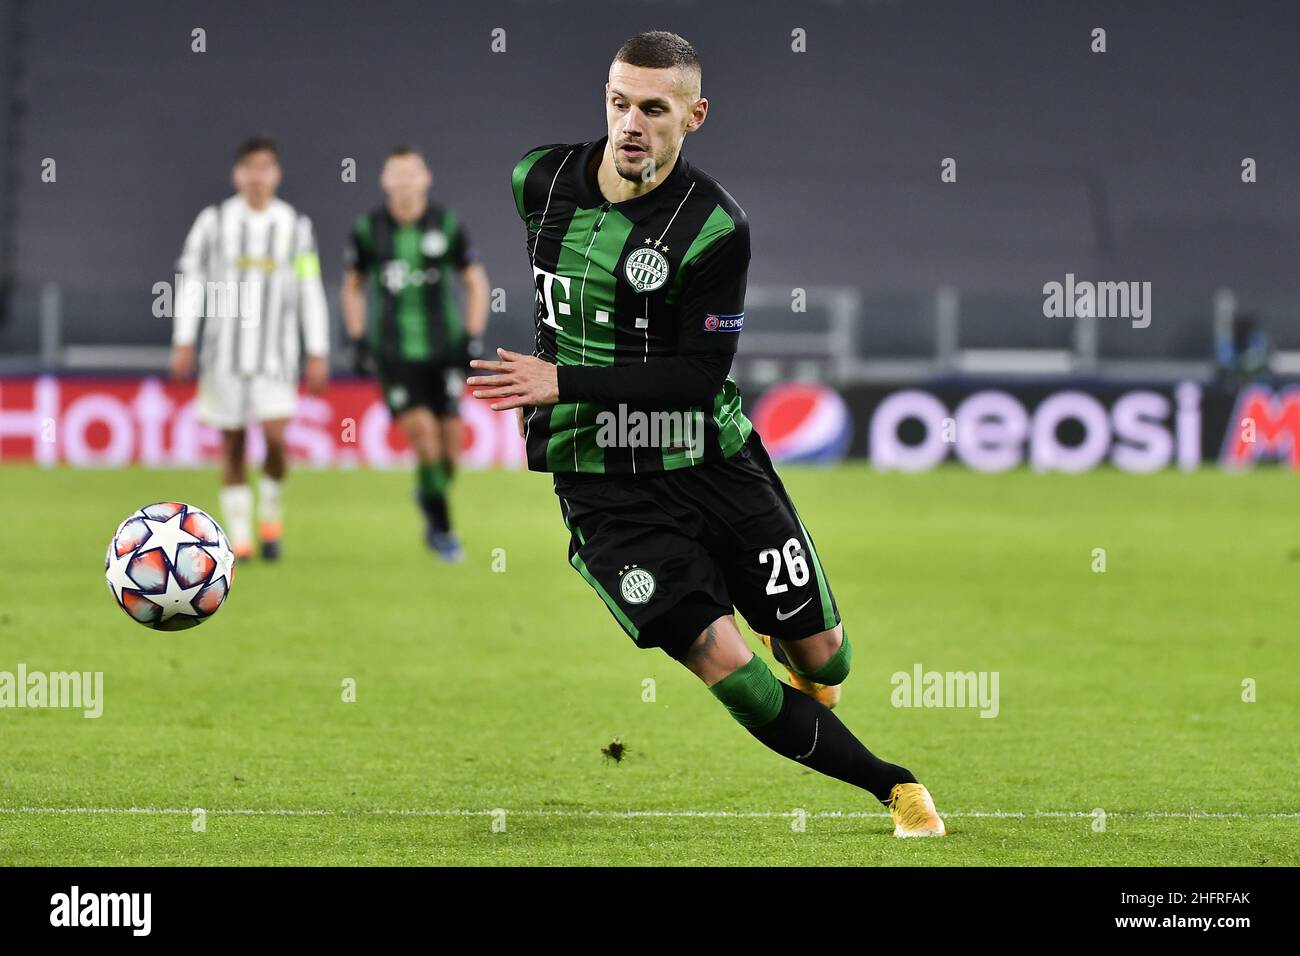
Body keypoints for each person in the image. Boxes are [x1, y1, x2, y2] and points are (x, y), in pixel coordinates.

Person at [470, 31, 945, 837]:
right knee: (721, 659)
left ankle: (789, 642)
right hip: (604, 486)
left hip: (712, 459)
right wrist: (567, 391)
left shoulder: (714, 227)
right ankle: (894, 786)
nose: (631, 124)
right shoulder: (538, 180)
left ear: (694, 115)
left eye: (654, 109)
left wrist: (562, 379)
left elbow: (695, 379)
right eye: (619, 102)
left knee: (827, 660)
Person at [170, 136, 329, 561]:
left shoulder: (295, 225)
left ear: (276, 174)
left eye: (265, 168)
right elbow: (192, 281)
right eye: (250, 168)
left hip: (275, 357)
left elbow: (308, 287)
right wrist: (183, 340)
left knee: (276, 440)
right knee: (233, 446)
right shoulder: (213, 222)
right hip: (223, 355)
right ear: (237, 174)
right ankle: (240, 540)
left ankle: (271, 517)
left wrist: (317, 348)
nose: (257, 176)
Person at [343, 146, 490, 560]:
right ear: (385, 181)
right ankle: (443, 531)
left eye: (412, 174)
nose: (405, 182)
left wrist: (471, 335)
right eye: (397, 174)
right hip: (394, 353)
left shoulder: (445, 224)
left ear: (425, 178)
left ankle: (428, 494)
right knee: (424, 436)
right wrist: (357, 337)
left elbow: (476, 281)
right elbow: (352, 285)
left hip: (443, 352)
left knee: (449, 451)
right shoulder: (369, 229)